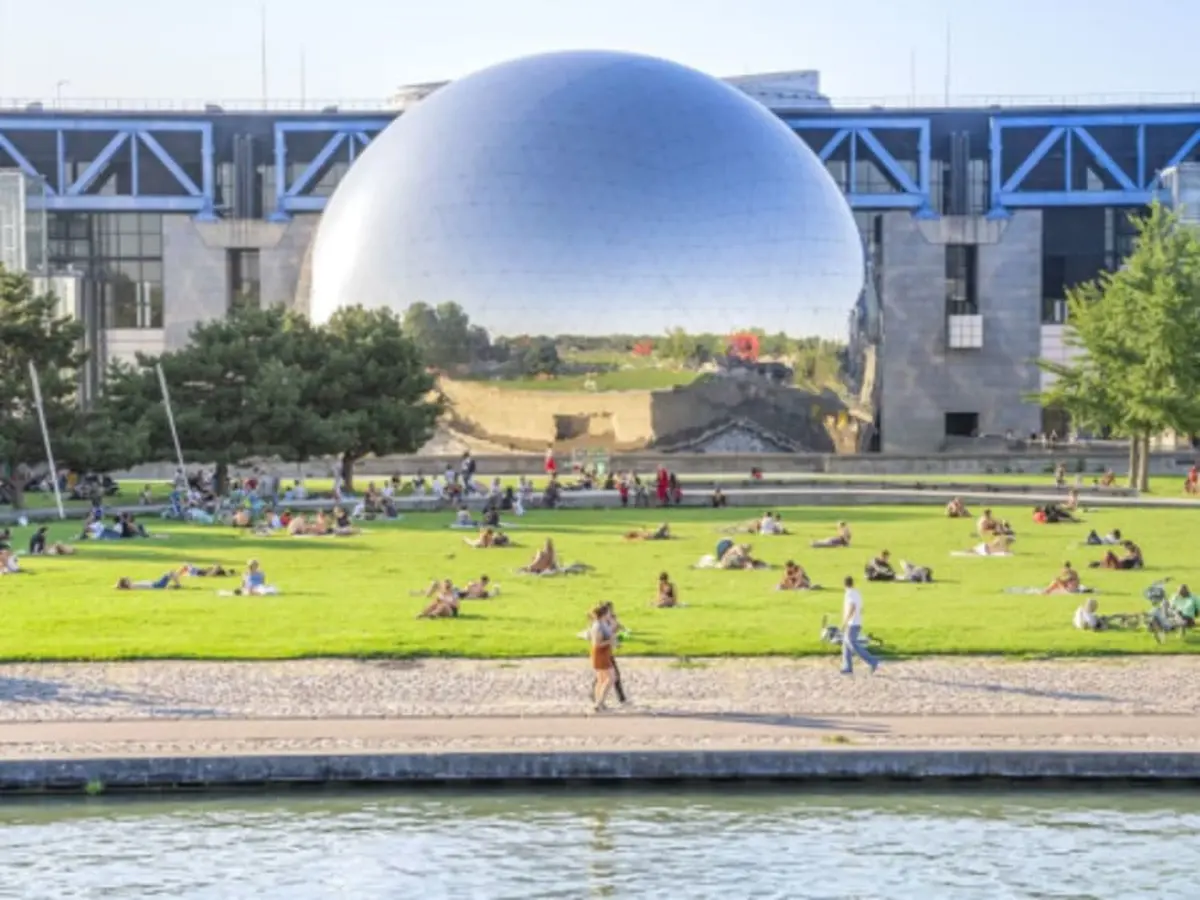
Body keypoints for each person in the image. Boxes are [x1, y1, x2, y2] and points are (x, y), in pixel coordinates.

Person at [840, 576, 879, 676]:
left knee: (852, 644)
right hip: (857, 622)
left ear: (844, 584)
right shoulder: (857, 593)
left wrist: (845, 622)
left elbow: (852, 607)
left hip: (852, 623)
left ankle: (872, 660)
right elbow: (861, 608)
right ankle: (847, 667)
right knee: (846, 644)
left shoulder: (849, 594)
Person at [588, 605, 616, 712]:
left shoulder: (603, 623)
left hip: (604, 653)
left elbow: (610, 631)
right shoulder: (598, 626)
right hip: (600, 654)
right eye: (608, 612)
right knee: (611, 678)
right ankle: (599, 703)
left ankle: (599, 702)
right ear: (604, 614)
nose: (610, 614)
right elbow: (597, 643)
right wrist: (610, 641)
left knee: (601, 679)